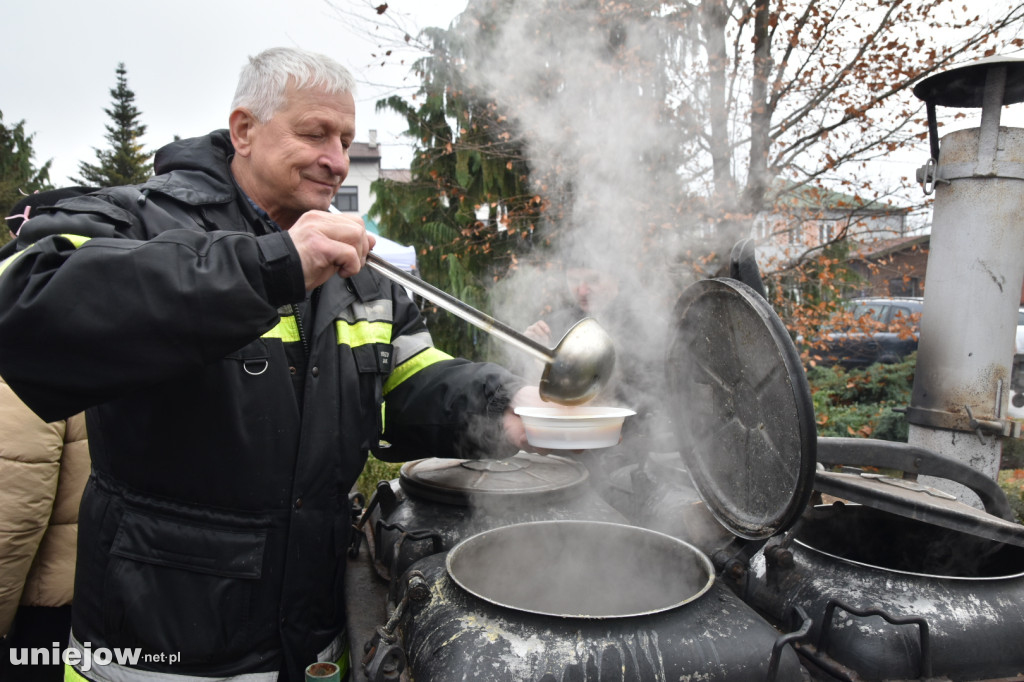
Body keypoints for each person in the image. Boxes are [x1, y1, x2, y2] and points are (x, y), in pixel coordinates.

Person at [0, 47, 538, 682]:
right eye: (315, 133)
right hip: (158, 654)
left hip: (313, 644)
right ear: (244, 130)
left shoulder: (364, 270)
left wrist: (506, 405)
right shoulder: (138, 216)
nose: (337, 159)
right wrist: (274, 264)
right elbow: (30, 304)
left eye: (346, 139)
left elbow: (411, 383)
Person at [0, 189, 94, 682]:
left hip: (43, 612)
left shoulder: (24, 320)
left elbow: (12, 506)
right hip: (119, 592)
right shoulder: (127, 307)